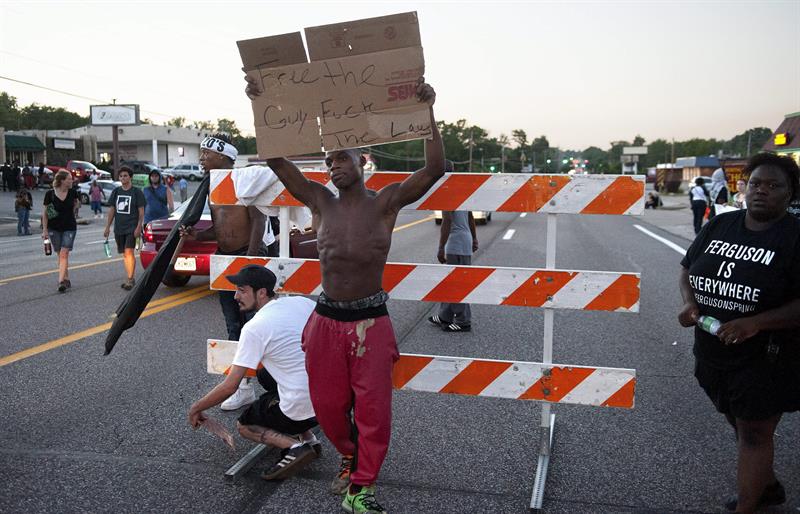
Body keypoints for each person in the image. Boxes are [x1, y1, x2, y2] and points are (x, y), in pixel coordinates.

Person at [247, 74, 443, 513]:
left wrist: (428, 111)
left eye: (342, 158)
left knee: (374, 411)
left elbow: (434, 170)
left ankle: (362, 486)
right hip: (327, 321)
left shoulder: (386, 203)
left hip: (371, 322)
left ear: (362, 162)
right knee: (328, 405)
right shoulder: (320, 201)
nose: (334, 165)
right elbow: (278, 162)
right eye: (329, 160)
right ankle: (348, 454)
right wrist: (262, 105)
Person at [678, 152, 800, 514]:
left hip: (768, 356)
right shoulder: (721, 225)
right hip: (713, 351)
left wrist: (756, 323)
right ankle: (767, 485)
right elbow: (687, 268)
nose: (761, 190)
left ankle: (748, 504)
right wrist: (689, 303)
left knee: (753, 432)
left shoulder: (794, 238)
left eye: (773, 185)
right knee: (738, 419)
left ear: (790, 193)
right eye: (755, 183)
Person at [188, 265, 321, 480]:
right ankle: (309, 439)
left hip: (303, 407)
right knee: (266, 376)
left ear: (261, 293)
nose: (235, 296)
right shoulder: (302, 303)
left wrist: (196, 407)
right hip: (330, 403)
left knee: (245, 425)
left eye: (242, 290)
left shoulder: (254, 327)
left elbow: (230, 386)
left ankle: (296, 447)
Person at [179, 133, 267, 410]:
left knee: (256, 325)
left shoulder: (243, 179)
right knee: (233, 324)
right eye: (202, 153)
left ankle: (274, 383)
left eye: (207, 153)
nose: (202, 158)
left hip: (245, 257)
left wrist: (249, 259)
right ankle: (242, 386)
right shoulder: (212, 186)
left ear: (224, 157)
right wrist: (196, 232)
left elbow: (258, 218)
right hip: (225, 258)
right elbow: (218, 227)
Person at [428, 161, 478, 332]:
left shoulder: (446, 192)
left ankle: (463, 321)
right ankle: (445, 315)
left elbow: (447, 221)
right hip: (465, 240)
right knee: (451, 282)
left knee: (456, 284)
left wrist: (441, 247)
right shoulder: (461, 190)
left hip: (455, 243)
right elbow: (470, 216)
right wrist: (475, 238)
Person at [104, 166, 146, 290]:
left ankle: (130, 279)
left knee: (129, 251)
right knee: (125, 254)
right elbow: (112, 210)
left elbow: (141, 211)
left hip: (132, 227)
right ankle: (129, 276)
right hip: (119, 228)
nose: (123, 178)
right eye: (121, 176)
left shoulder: (136, 192)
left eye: (125, 175)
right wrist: (107, 227)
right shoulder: (116, 191)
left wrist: (139, 226)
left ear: (130, 177)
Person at [42, 170, 80, 292]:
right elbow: (45, 213)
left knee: (64, 253)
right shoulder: (50, 194)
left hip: (69, 227)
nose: (71, 180)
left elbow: (76, 206)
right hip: (54, 228)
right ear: (62, 180)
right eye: (69, 179)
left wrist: (76, 206)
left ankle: (61, 282)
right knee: (60, 254)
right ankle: (66, 278)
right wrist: (45, 230)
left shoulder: (73, 193)